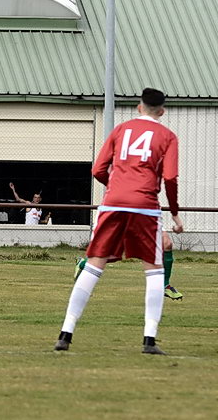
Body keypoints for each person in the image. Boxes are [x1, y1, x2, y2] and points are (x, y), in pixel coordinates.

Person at [54, 88, 183, 355]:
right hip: (145, 206)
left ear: (138, 107)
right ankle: (149, 340)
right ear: (162, 111)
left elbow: (98, 169)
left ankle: (65, 333)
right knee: (154, 270)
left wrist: (114, 187)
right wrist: (174, 212)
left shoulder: (121, 130)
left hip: (113, 203)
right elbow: (170, 177)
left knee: (94, 265)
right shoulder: (168, 136)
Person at [74, 230, 183, 300]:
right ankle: (83, 264)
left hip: (147, 213)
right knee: (113, 256)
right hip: (126, 213)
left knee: (167, 243)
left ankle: (164, 285)